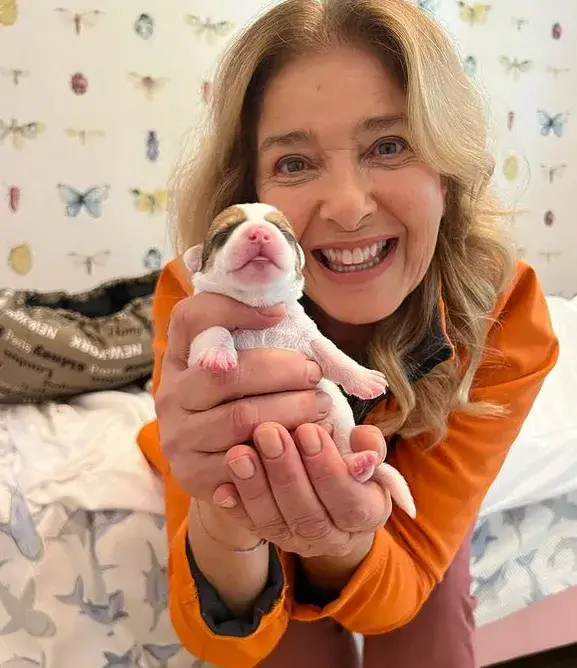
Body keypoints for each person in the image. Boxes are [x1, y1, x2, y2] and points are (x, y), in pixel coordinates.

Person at [137, 0, 560, 666]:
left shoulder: (503, 312)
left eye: (388, 147)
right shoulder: (198, 301)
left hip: (397, 503)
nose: (348, 207)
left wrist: (337, 542)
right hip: (250, 482)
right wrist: (225, 517)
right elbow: (223, 637)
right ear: (246, 189)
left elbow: (404, 583)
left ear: (447, 171)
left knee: (430, 606)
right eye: (294, 163)